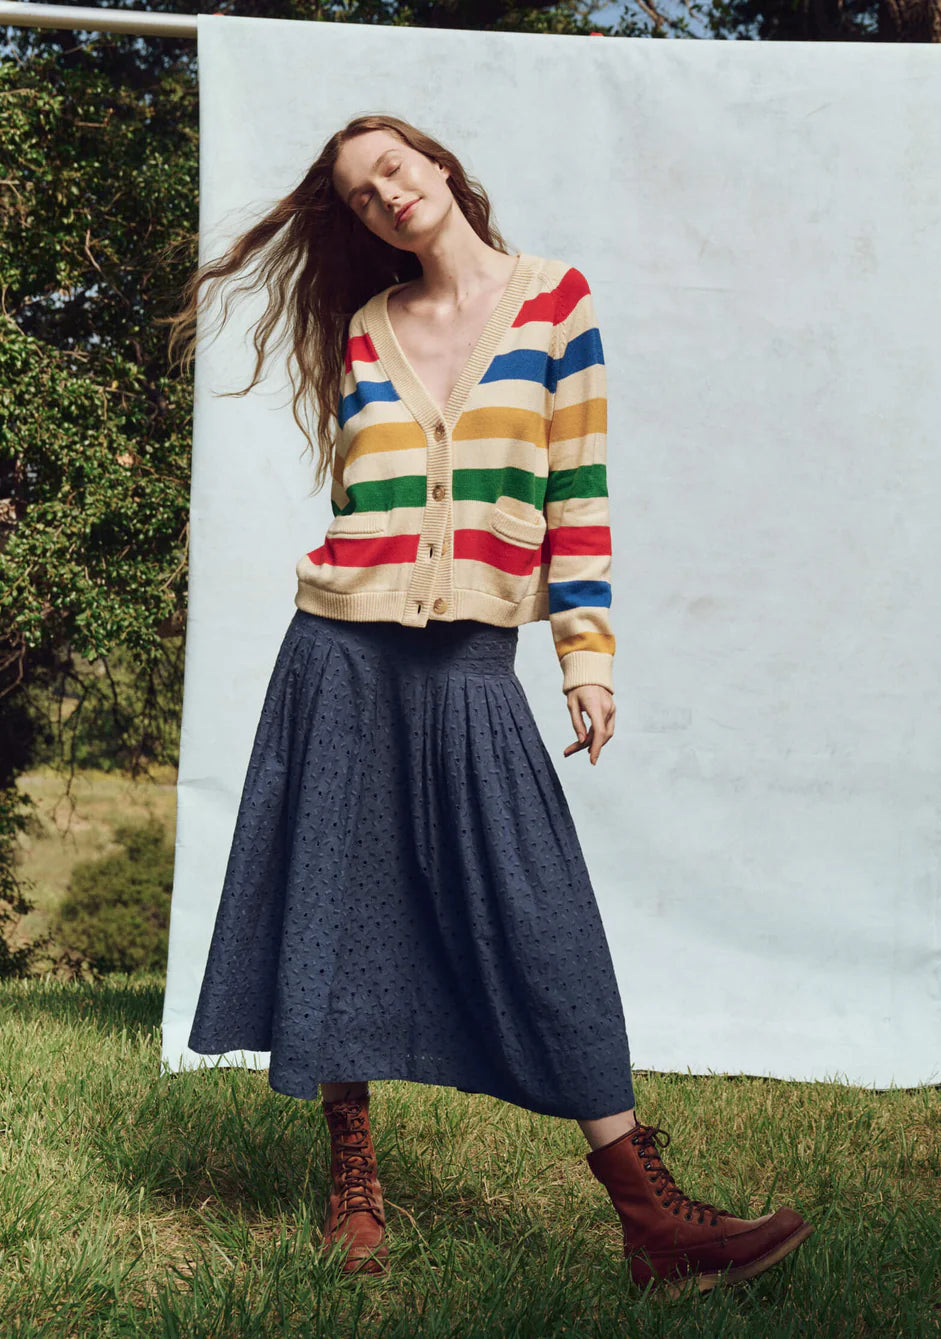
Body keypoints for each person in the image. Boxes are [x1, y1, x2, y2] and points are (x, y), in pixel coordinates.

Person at [165, 113, 813, 1299]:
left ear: (443, 165)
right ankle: (352, 1176)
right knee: (337, 898)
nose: (386, 196)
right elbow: (374, 484)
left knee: (540, 913)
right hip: (341, 650)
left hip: (468, 660)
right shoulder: (366, 328)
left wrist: (586, 654)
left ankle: (648, 1217)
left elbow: (578, 487)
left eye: (395, 169)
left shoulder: (554, 299)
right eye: (361, 194)